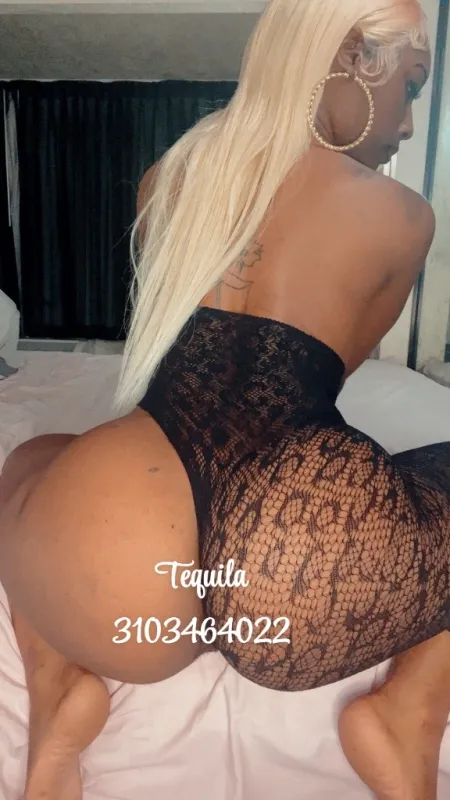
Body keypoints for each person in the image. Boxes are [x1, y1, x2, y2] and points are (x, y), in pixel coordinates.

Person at [0, 0, 449, 797]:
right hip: (295, 561)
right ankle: (407, 715)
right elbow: (322, 380)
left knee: (33, 459)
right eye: (410, 85)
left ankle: (55, 686)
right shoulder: (405, 216)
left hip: (116, 566)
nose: (408, 123)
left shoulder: (164, 180)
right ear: (351, 57)